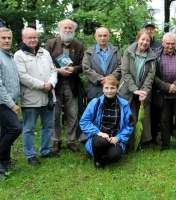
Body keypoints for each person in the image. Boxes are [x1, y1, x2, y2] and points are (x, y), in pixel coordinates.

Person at [14, 27, 58, 166]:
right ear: (23, 39)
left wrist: (50, 83)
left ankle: (45, 150)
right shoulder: (19, 55)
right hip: (31, 98)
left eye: (35, 37)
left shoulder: (44, 52)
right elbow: (23, 77)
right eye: (29, 38)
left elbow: (53, 70)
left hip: (49, 96)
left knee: (48, 125)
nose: (33, 40)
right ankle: (30, 155)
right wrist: (42, 85)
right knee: (29, 128)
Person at [45, 19, 84, 154]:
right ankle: (56, 140)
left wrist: (73, 70)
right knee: (54, 114)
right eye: (65, 28)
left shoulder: (78, 45)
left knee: (72, 113)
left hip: (71, 83)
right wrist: (58, 70)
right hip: (55, 83)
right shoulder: (51, 43)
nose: (67, 30)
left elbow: (82, 65)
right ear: (60, 29)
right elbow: (45, 64)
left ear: (74, 30)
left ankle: (71, 140)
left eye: (70, 28)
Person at [80, 76, 133, 169]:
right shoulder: (95, 102)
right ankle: (98, 160)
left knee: (114, 156)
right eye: (106, 88)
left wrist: (118, 137)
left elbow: (129, 125)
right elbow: (84, 121)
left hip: (114, 138)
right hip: (99, 137)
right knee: (99, 143)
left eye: (112, 88)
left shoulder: (124, 105)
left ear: (117, 89)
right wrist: (99, 133)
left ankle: (105, 154)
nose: (109, 91)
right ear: (103, 89)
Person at [118, 28, 156, 151]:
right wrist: (134, 89)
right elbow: (125, 72)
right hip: (128, 90)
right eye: (143, 39)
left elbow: (151, 76)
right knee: (129, 116)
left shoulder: (152, 57)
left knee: (141, 118)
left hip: (143, 92)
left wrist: (144, 90)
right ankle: (126, 142)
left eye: (148, 40)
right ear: (138, 39)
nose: (145, 42)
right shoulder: (128, 52)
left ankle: (140, 142)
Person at [0, 28, 22, 174]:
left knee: (6, 131)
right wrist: (12, 104)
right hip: (3, 103)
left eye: (9, 38)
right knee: (15, 128)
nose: (7, 40)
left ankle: (5, 162)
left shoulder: (9, 56)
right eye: (3, 38)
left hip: (10, 101)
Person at [82, 27, 121, 101]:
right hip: (95, 89)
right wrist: (99, 78)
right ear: (95, 37)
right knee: (96, 111)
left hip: (112, 89)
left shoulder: (115, 51)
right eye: (100, 36)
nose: (102, 38)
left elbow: (121, 66)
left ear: (109, 36)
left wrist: (109, 79)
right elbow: (86, 68)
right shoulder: (89, 52)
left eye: (105, 35)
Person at [143, 22, 163, 145]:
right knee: (144, 111)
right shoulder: (140, 43)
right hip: (143, 84)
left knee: (156, 111)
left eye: (152, 29)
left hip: (157, 84)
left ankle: (154, 136)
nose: (150, 31)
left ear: (155, 31)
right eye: (147, 29)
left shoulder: (160, 45)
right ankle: (144, 137)